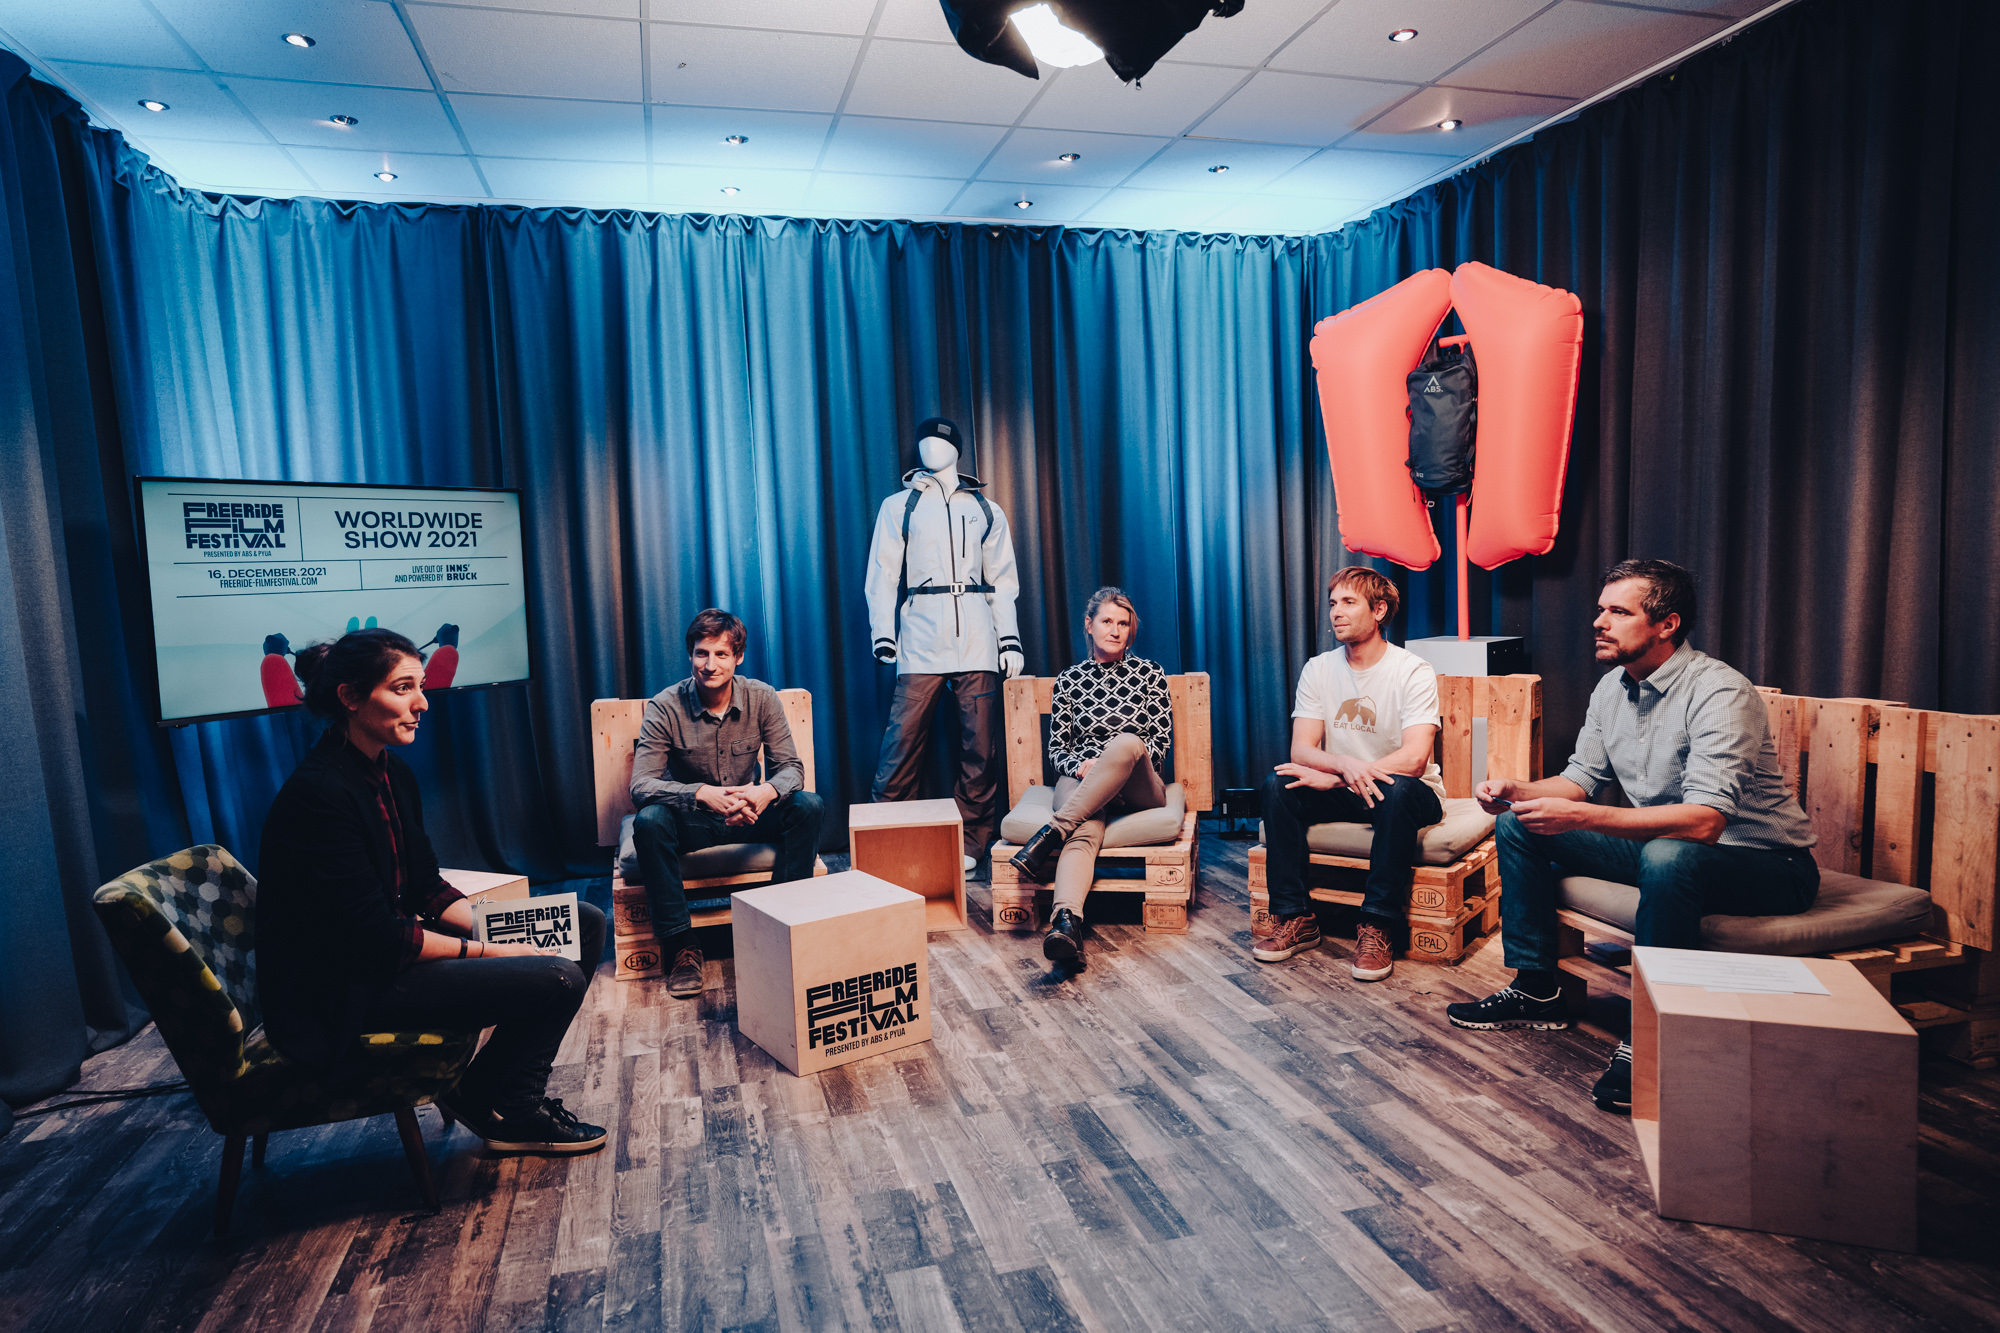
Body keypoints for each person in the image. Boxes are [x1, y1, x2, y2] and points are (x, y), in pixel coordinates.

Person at [1446, 559, 1818, 1114]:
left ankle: (1652, 1033)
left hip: (1767, 865)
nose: (1599, 622)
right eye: (1601, 609)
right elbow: (1579, 779)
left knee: (1669, 855)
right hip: (1669, 851)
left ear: (1666, 625)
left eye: (1619, 612)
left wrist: (1584, 818)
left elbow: (1706, 821)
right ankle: (1536, 987)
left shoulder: (1719, 692)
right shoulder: (1611, 689)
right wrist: (1518, 790)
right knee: (1516, 824)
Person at [259, 628, 608, 1157]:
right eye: (403, 688)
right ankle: (515, 1108)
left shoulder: (390, 770)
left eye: (420, 686)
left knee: (582, 922)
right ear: (349, 697)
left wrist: (496, 927)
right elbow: (377, 939)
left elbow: (425, 885)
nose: (422, 703)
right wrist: (496, 950)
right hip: (347, 991)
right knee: (556, 977)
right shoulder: (319, 795)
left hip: (385, 958)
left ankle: (479, 1091)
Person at [1255, 567, 1445, 982]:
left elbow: (1415, 759)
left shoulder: (1412, 670)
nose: (1336, 612)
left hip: (1408, 792)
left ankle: (1377, 924)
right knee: (1278, 785)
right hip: (1348, 789)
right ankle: (1295, 916)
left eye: (1348, 602)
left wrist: (1339, 778)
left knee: (1397, 791)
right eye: (1332, 604)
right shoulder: (1319, 668)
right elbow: (1301, 749)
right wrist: (1343, 767)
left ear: (1379, 610)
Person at [630, 608, 826, 999]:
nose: (710, 664)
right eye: (702, 653)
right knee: (649, 822)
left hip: (752, 813)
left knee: (808, 806)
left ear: (738, 657)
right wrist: (699, 793)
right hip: (696, 820)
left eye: (721, 654)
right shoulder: (665, 706)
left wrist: (765, 792)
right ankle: (682, 947)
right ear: (690, 655)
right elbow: (641, 785)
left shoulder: (761, 697)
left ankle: (780, 924)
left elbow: (791, 768)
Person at [865, 417, 1024, 870]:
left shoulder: (986, 509)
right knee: (901, 744)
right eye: (924, 442)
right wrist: (884, 634)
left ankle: (971, 843)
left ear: (957, 449)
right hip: (920, 636)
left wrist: (1008, 640)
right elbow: (882, 575)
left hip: (977, 637)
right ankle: (884, 838)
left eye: (940, 441)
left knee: (980, 748)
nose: (930, 448)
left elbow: (1002, 582)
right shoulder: (900, 505)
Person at [1012, 588, 1174, 969]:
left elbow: (1159, 746)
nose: (1116, 631)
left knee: (1127, 742)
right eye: (1107, 621)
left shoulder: (1150, 674)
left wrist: (1111, 768)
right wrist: (1084, 767)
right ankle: (1066, 924)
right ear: (1089, 624)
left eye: (1123, 623)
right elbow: (1057, 750)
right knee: (1084, 827)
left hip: (1138, 783)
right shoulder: (1069, 680)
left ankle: (1052, 832)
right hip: (1082, 780)